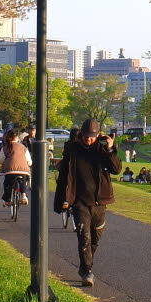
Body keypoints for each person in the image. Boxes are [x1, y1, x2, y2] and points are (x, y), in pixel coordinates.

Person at [54, 118, 122, 286]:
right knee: (83, 236)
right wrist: (62, 199)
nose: (88, 140)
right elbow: (64, 176)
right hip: (79, 201)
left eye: (92, 136)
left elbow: (116, 169)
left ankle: (86, 263)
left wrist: (110, 148)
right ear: (81, 135)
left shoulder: (102, 149)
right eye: (86, 136)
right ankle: (87, 271)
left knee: (94, 239)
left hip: (99, 201)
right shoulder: (73, 149)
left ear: (98, 135)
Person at [0, 126, 32, 219]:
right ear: (17, 138)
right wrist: (28, 164)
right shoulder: (23, 147)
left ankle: (8, 200)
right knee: (23, 178)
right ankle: (23, 195)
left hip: (10, 170)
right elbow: (29, 160)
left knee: (7, 182)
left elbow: (0, 160)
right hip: (23, 169)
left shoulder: (5, 147)